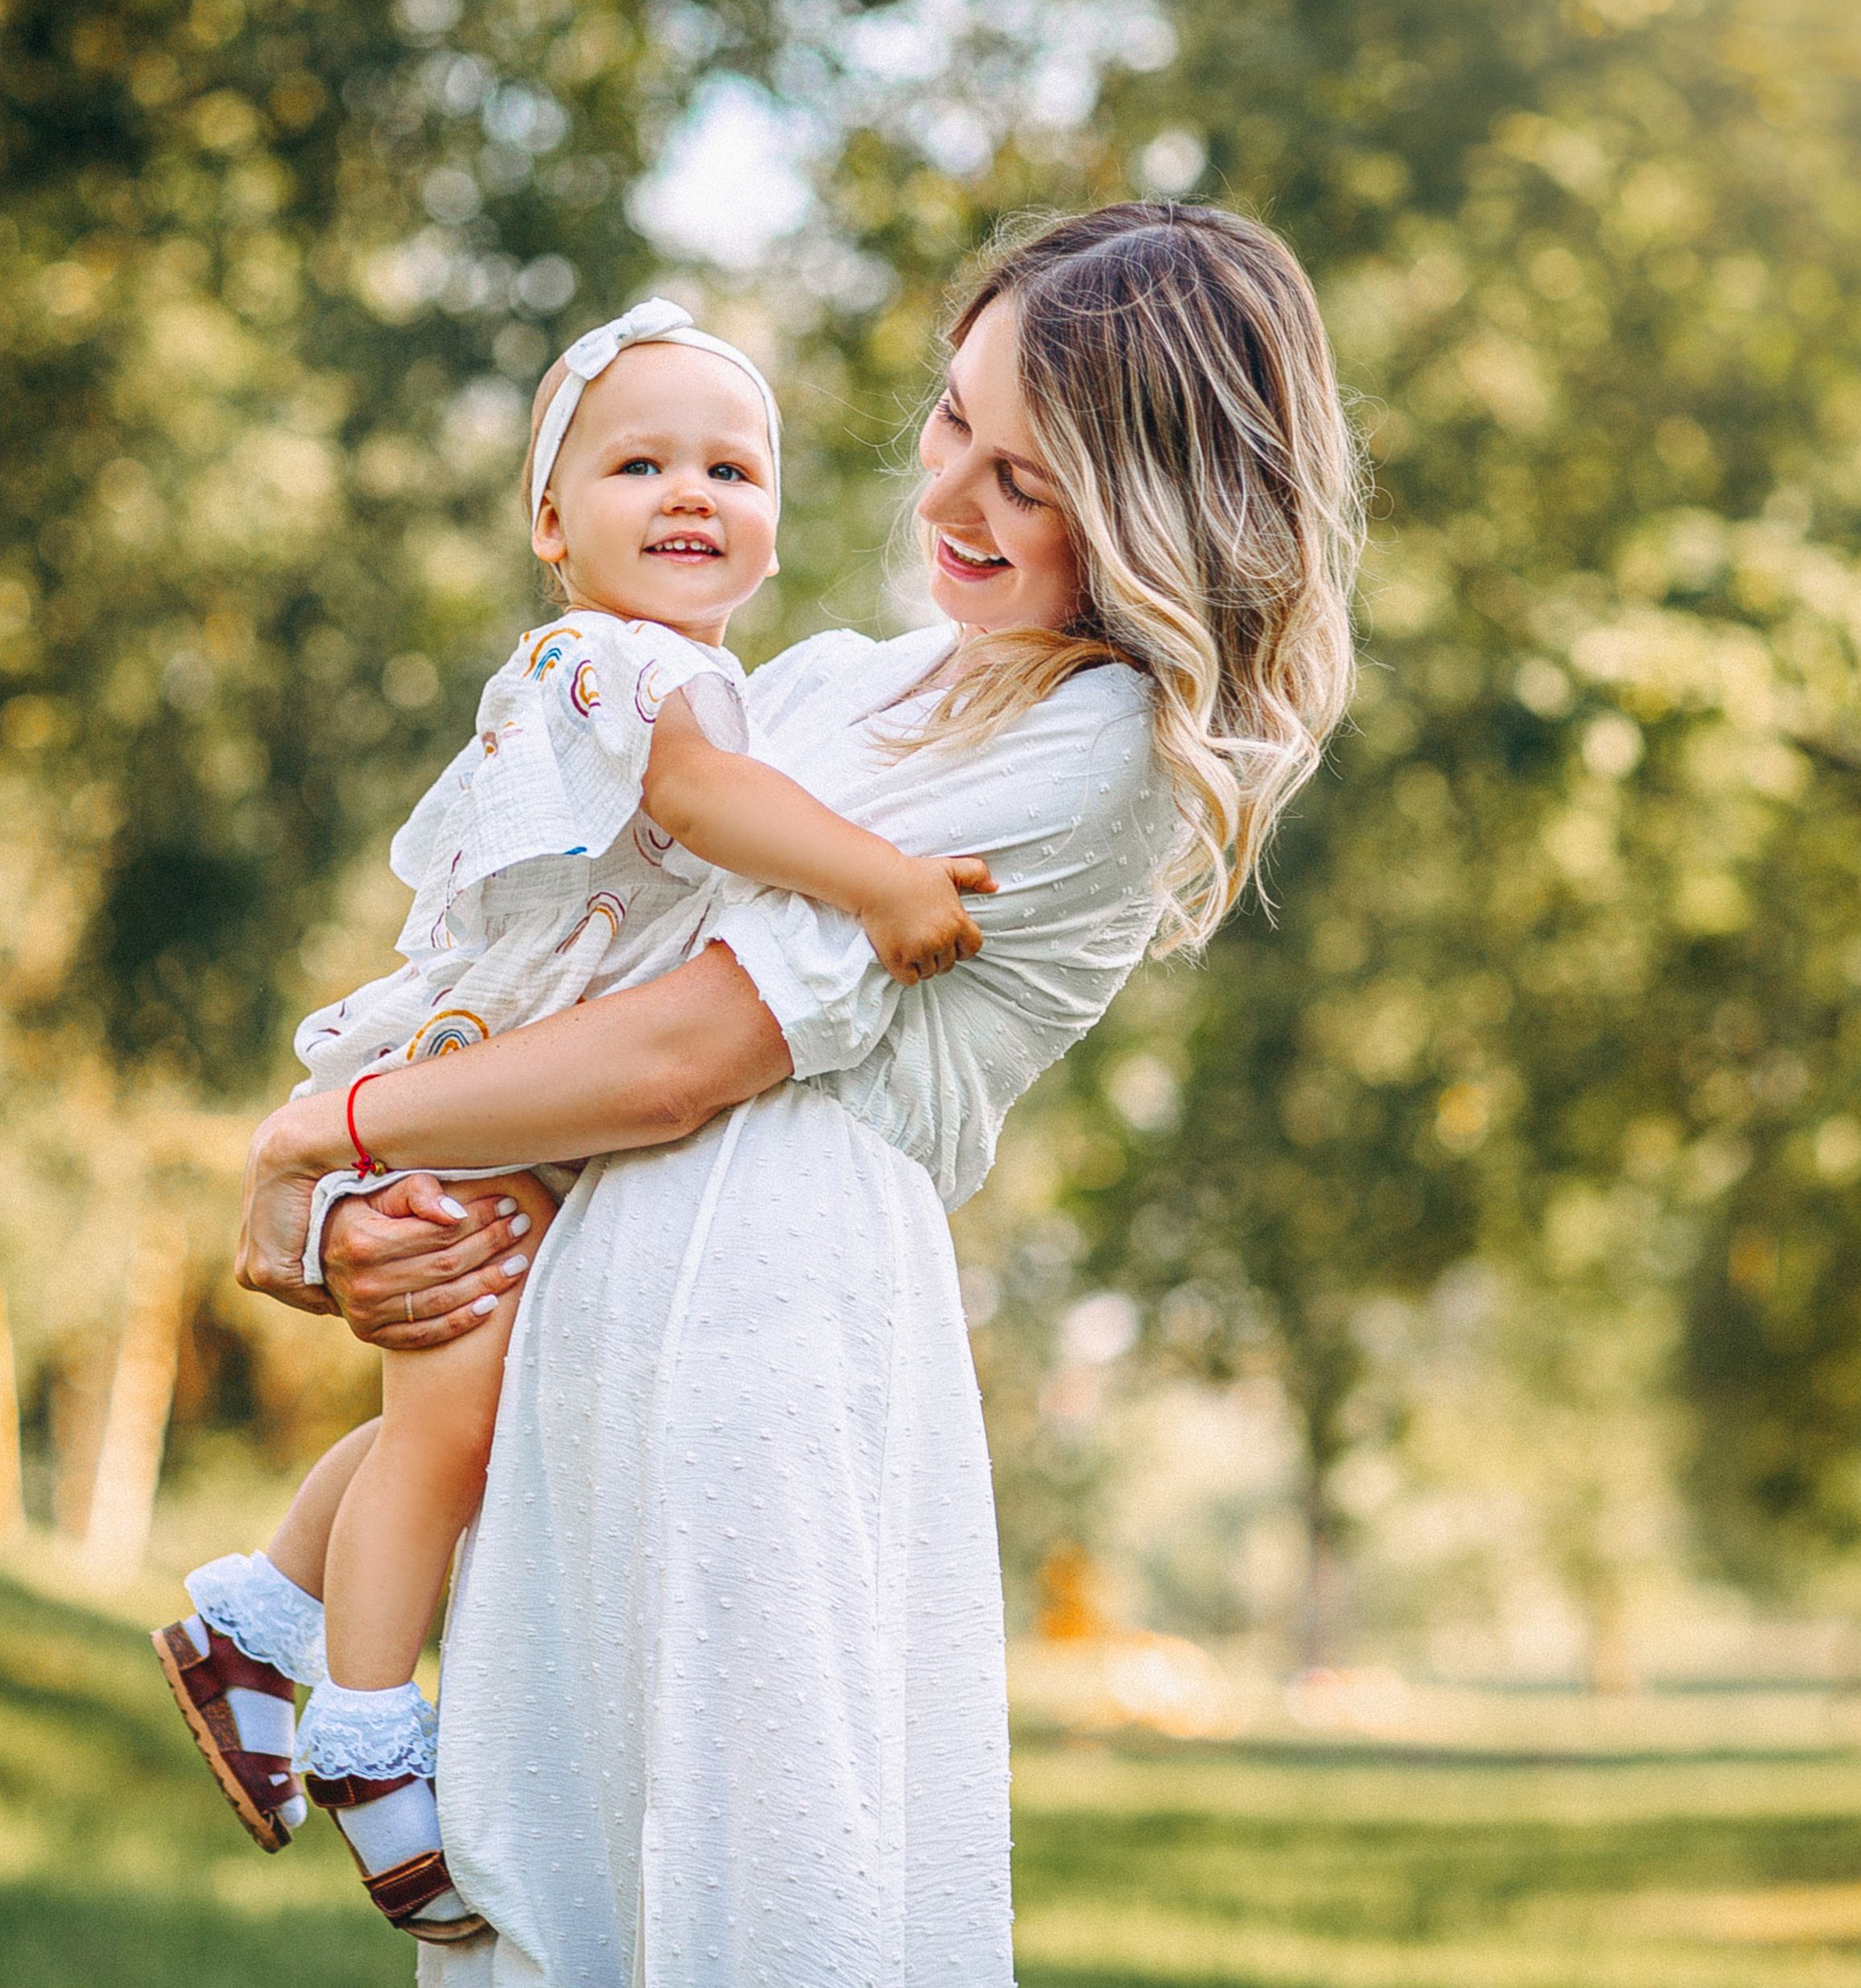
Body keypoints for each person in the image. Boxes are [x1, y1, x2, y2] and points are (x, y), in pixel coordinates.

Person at [236, 202, 1363, 1984]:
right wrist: (405, 1222)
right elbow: (587, 964)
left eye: (1029, 476)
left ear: (1163, 504)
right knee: (558, 1889)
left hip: (769, 1334)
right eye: (948, 426)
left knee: (758, 1877)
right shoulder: (841, 680)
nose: (946, 502)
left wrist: (330, 1130)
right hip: (591, 1325)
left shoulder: (1096, 751)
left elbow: (688, 1049)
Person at [152, 300, 994, 1943]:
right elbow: (692, 806)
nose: (690, 492)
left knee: (468, 1404)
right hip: (502, 1076)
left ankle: (257, 1615)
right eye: (637, 463)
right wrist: (878, 877)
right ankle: (373, 1729)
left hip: (543, 1089)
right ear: (553, 526)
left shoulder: (716, 673)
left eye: (730, 466)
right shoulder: (609, 660)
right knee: (456, 1429)